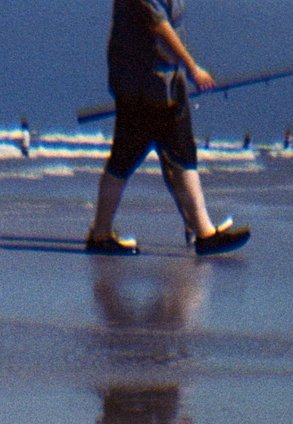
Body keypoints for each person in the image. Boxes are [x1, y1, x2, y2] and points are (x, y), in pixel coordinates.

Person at [87, 0, 249, 256]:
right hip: (145, 86)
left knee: (159, 156)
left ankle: (103, 232)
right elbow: (159, 26)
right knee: (149, 156)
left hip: (165, 83)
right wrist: (193, 68)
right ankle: (203, 233)